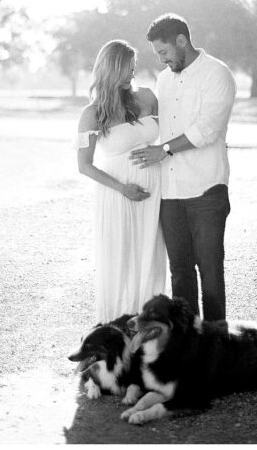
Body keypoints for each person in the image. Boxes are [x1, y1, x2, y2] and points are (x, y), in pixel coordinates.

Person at [129, 13, 236, 321]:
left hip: (206, 190)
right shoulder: (164, 80)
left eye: (164, 52)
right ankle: (187, 340)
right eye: (157, 54)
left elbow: (207, 130)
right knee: (179, 273)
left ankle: (215, 342)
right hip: (170, 193)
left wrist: (163, 150)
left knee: (210, 272)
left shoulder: (216, 73)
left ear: (181, 40)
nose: (162, 60)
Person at [75, 40, 168, 323]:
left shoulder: (148, 97)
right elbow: (84, 166)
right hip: (117, 195)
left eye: (133, 68)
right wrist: (122, 189)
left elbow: (170, 136)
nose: (132, 74)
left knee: (150, 258)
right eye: (127, 68)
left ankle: (149, 327)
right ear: (111, 69)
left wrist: (162, 152)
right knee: (120, 260)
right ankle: (115, 329)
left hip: (154, 192)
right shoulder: (92, 114)